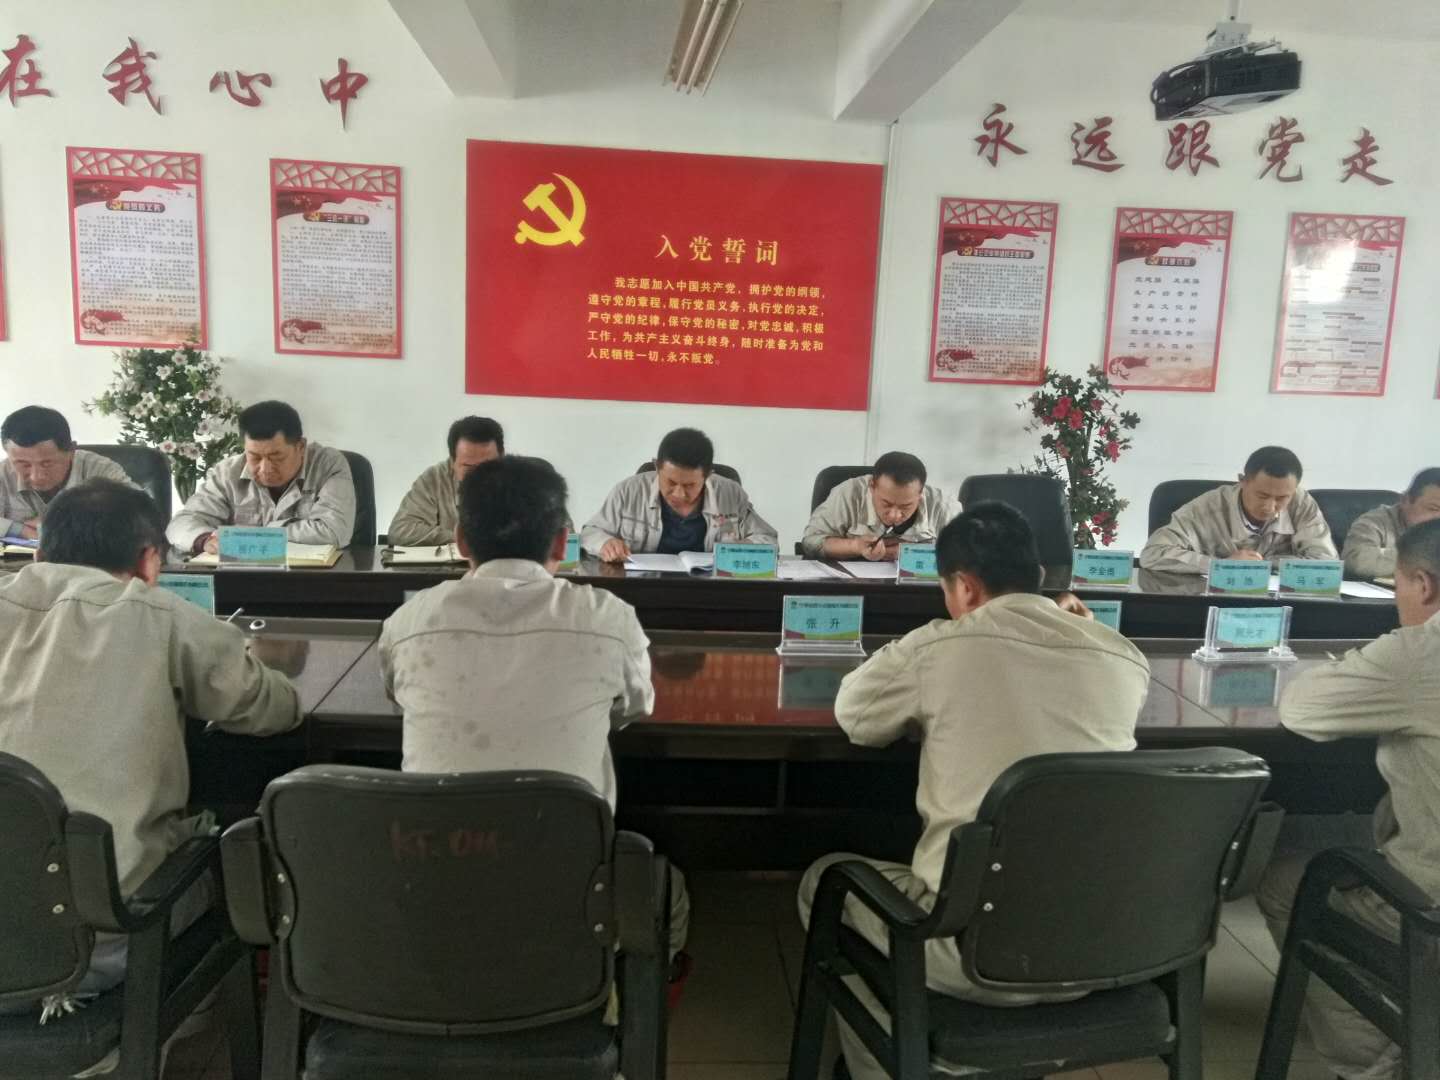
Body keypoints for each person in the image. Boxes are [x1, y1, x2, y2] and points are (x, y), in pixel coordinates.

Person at [797, 502, 1151, 1080]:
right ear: (1038, 575)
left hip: (967, 949)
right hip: (1106, 945)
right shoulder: (1123, 656)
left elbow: (856, 716)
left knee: (824, 881)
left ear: (963, 586)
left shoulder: (941, 646)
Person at [0, 480, 300, 1018]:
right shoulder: (158, 614)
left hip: (14, 937)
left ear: (39, 555)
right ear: (150, 561)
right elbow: (273, 709)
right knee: (223, 848)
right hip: (100, 938)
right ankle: (185, 1030)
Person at [379, 455, 688, 956]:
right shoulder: (609, 619)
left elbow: (395, 693)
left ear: (461, 540)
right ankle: (625, 989)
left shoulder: (409, 620)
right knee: (670, 892)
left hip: (434, 892)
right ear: (562, 543)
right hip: (572, 897)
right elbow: (636, 707)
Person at [1257, 517, 1440, 1080]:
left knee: (1287, 884)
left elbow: (1301, 708)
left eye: (1398, 586)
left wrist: (1369, 661)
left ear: (1423, 585)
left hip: (1430, 910)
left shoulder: (1421, 650)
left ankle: (1374, 1064)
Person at [167, 400, 355, 555]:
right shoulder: (227, 472)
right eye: (255, 457)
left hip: (310, 580)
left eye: (277, 457)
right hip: (242, 579)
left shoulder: (328, 465)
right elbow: (180, 524)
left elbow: (334, 531)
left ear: (301, 447)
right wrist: (204, 540)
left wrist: (253, 536)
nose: (265, 469)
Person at [581, 427, 776, 562]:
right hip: (642, 587)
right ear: (657, 466)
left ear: (708, 475)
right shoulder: (628, 492)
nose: (679, 494)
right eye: (671, 482)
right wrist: (605, 543)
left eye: (690, 485)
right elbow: (590, 533)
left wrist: (744, 547)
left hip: (712, 589)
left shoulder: (730, 493)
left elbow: (768, 539)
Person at [1139, 446, 1336, 574]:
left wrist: (1263, 564)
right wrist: (1220, 565)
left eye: (1282, 498)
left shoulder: (1301, 503)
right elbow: (1154, 553)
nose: (1270, 507)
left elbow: (1326, 563)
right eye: (1262, 495)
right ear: (1242, 481)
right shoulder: (1207, 507)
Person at [1, 405, 134, 540]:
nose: (36, 476)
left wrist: (57, 525)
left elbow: (138, 519)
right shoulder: (3, 472)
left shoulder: (101, 470)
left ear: (71, 450)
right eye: (24, 465)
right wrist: (22, 530)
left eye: (47, 463)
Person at [801, 451, 961, 560]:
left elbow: (966, 554)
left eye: (906, 506)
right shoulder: (848, 494)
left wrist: (910, 554)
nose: (894, 515)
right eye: (886, 504)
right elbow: (811, 542)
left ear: (921, 495)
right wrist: (854, 546)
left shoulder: (943, 505)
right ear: (872, 487)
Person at [387, 416, 504, 546]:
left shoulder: (518, 480)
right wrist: (461, 539)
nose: (479, 474)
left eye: (487, 466)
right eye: (468, 466)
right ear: (452, 462)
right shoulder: (434, 479)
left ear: (501, 458)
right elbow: (401, 531)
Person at [1342, 467, 1440, 580]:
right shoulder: (1375, 522)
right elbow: (1356, 561)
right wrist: (1429, 557)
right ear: (1405, 500)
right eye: (1434, 508)